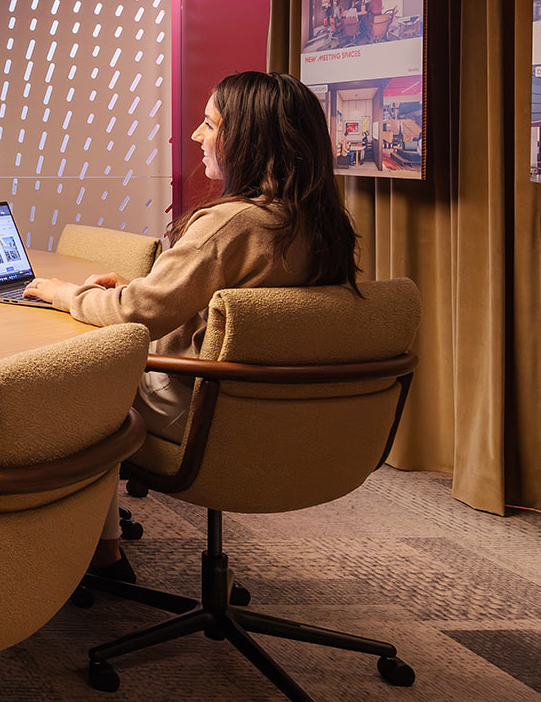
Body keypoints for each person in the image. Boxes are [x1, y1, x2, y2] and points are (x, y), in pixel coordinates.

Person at [23, 71, 362, 579]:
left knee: (74, 385)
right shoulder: (321, 223)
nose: (196, 137)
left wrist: (67, 293)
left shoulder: (232, 223)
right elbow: (241, 302)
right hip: (288, 416)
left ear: (249, 140)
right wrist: (145, 282)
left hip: (208, 412)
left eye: (210, 124)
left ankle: (93, 551)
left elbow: (132, 314)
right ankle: (99, 542)